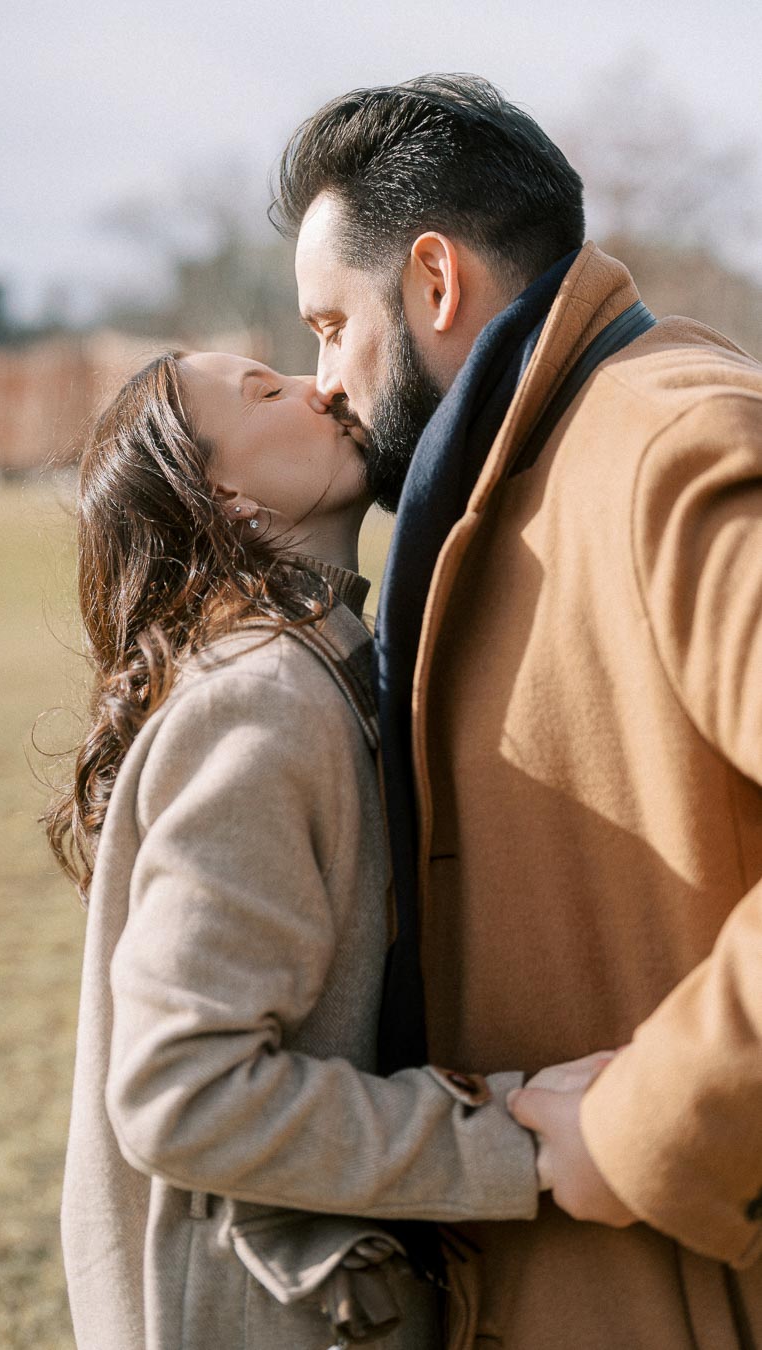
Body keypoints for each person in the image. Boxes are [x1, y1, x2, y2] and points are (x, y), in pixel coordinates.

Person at [273, 73, 762, 1350]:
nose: (321, 382)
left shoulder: (675, 448)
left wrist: (655, 1123)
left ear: (433, 282)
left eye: (331, 324)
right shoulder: (519, 464)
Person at [49, 350, 596, 1350]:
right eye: (267, 391)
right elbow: (186, 1095)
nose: (325, 385)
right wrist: (517, 1139)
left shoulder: (316, 662)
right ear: (229, 499)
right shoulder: (262, 703)